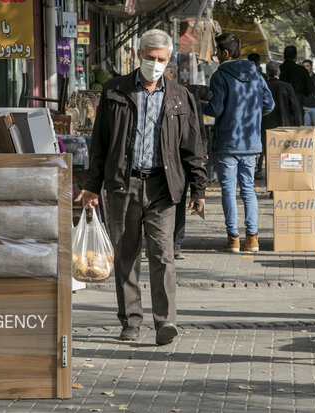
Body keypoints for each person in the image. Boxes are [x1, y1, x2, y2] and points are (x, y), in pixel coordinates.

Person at [80, 29, 207, 345]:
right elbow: (100, 144)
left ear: (169, 60)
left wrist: (199, 189)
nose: (156, 64)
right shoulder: (115, 91)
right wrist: (92, 186)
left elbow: (193, 145)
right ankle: (131, 322)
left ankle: (166, 322)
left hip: (163, 187)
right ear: (139, 56)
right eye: (151, 58)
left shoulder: (180, 95)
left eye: (162, 59)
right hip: (123, 184)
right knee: (127, 254)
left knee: (163, 254)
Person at [202, 33, 274, 253]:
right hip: (250, 141)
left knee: (228, 189)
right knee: (249, 189)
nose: (215, 55)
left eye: (216, 51)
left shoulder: (219, 75)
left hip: (227, 142)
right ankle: (252, 239)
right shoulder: (256, 74)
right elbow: (269, 104)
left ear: (225, 53)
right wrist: (251, 116)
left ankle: (232, 239)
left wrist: (198, 105)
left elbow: (215, 109)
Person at [164, 57, 211, 260]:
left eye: (164, 69)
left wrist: (202, 152)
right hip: (159, 163)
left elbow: (196, 129)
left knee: (179, 200)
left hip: (180, 159)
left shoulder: (184, 95)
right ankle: (161, 242)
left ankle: (175, 243)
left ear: (172, 73)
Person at [257, 61, 302, 178]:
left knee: (269, 155)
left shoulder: (261, 87)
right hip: (284, 125)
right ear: (279, 72)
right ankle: (283, 180)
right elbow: (295, 108)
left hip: (265, 125)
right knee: (284, 154)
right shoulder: (286, 86)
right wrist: (299, 126)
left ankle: (271, 181)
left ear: (267, 73)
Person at [301, 59, 315, 126]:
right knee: (306, 128)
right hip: (305, 107)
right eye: (304, 66)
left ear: (311, 67)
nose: (306, 68)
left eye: (307, 66)